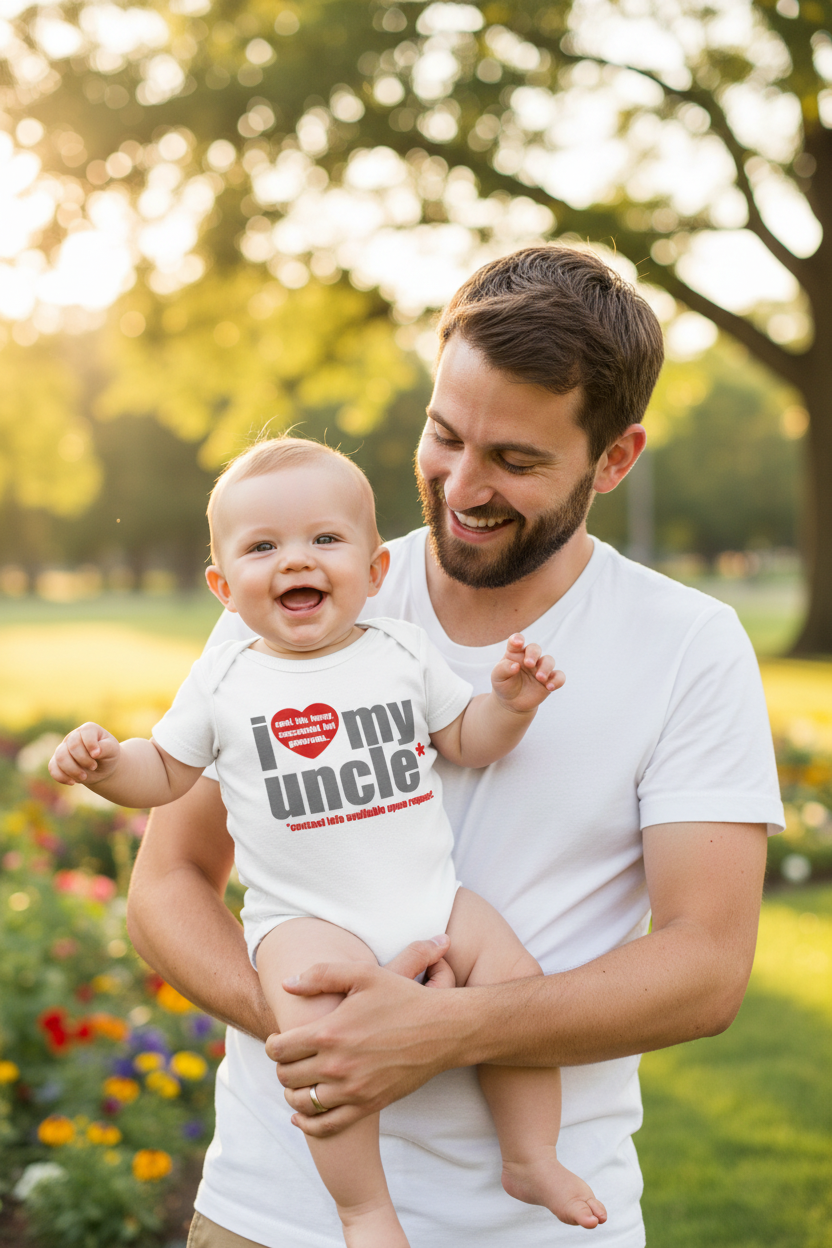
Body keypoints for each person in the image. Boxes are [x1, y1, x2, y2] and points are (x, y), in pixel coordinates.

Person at [126, 245, 784, 1248]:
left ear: (614, 459)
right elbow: (167, 883)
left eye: (515, 461)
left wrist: (440, 1032)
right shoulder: (295, 602)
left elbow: (706, 967)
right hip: (272, 1214)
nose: (462, 486)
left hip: (538, 1231)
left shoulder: (687, 646)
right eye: (444, 436)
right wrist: (320, 1030)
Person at [48, 437, 607, 1247]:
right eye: (262, 547)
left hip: (432, 899)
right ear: (223, 587)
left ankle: (531, 1157)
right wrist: (106, 767)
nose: (295, 560)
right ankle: (364, 1210)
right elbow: (164, 772)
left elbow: (468, 739)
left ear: (375, 571)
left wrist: (511, 704)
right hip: (305, 918)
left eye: (324, 539)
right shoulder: (225, 678)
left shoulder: (402, 652)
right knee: (316, 1042)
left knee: (513, 980)